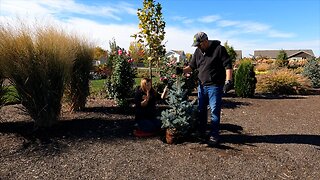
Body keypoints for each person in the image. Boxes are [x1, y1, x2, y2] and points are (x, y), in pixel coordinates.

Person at [177, 32, 233, 146]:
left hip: (215, 86)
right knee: (201, 111)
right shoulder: (198, 52)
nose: (197, 47)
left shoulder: (219, 49)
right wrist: (181, 71)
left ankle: (214, 136)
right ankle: (201, 133)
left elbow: (228, 65)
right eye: (196, 45)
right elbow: (192, 67)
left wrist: (228, 81)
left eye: (199, 44)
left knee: (214, 112)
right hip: (202, 86)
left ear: (205, 41)